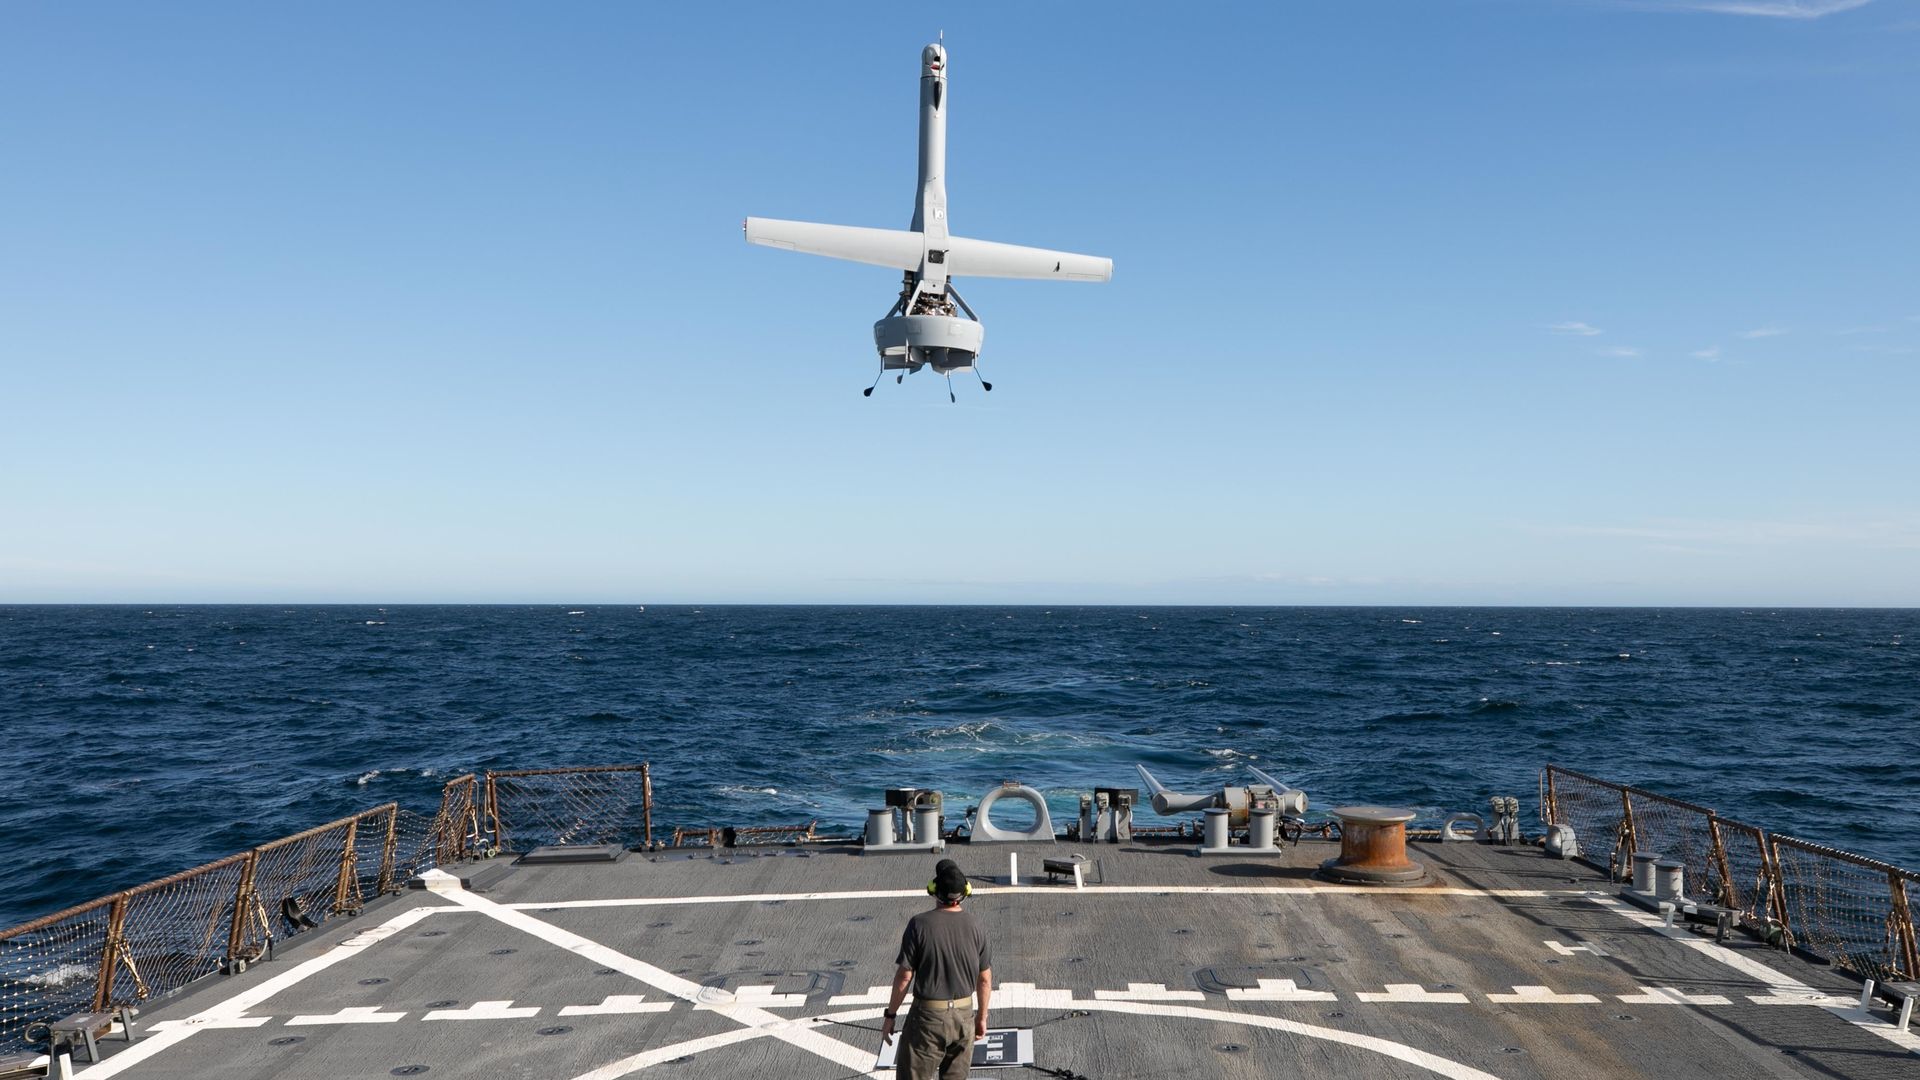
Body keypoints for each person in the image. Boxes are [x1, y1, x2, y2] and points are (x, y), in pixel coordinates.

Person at [880, 858, 993, 1080]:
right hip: (964, 1018)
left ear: (934, 890)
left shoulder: (919, 924)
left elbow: (905, 976)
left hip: (928, 1020)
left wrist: (890, 1015)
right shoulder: (976, 925)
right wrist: (981, 1017)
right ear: (965, 892)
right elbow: (985, 979)